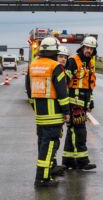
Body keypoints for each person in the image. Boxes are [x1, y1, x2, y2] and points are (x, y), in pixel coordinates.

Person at [24, 37, 70, 187]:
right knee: (50, 146)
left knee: (43, 145)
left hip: (40, 114)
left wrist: (34, 106)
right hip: (53, 114)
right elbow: (62, 92)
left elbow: (29, 90)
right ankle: (42, 179)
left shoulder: (33, 65)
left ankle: (45, 175)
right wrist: (66, 111)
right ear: (54, 51)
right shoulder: (55, 67)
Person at [61, 37, 98, 171]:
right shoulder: (73, 61)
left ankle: (68, 161)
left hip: (83, 102)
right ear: (82, 47)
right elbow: (64, 82)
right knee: (79, 132)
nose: (88, 50)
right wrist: (65, 104)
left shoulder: (89, 63)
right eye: (87, 47)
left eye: (91, 48)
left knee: (72, 132)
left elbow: (89, 85)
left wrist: (91, 101)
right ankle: (82, 162)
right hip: (73, 102)